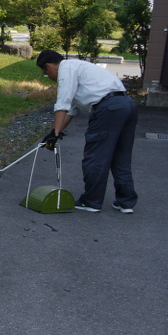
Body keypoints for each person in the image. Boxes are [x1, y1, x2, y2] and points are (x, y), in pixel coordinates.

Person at [36, 49, 138, 213]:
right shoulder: (80, 68)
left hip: (108, 109)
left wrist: (55, 134)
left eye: (45, 73)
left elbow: (62, 105)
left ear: (48, 66)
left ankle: (91, 201)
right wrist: (55, 132)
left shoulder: (66, 70)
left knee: (96, 156)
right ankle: (125, 202)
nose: (49, 77)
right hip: (127, 105)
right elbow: (70, 111)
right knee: (121, 156)